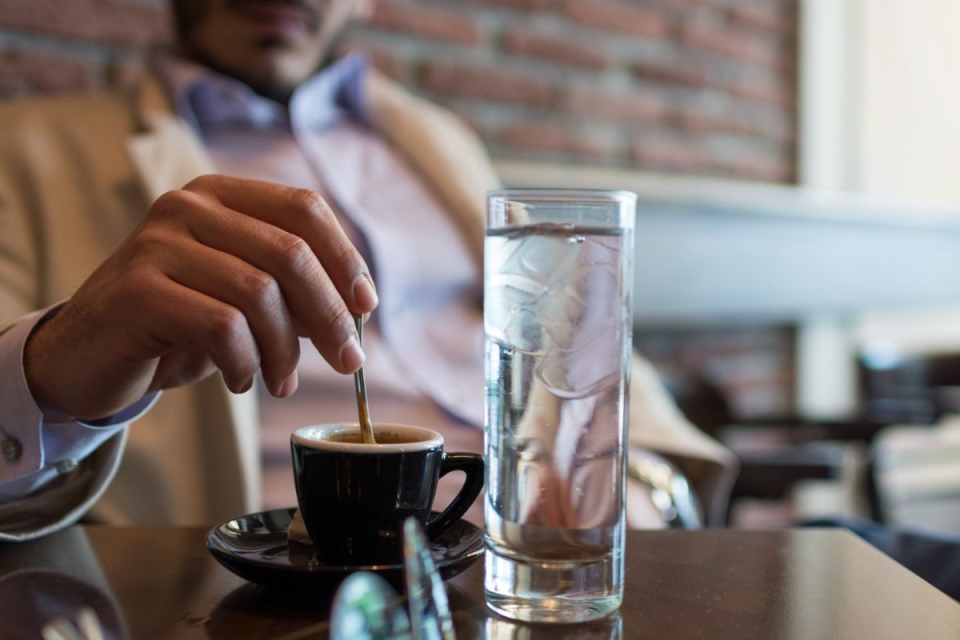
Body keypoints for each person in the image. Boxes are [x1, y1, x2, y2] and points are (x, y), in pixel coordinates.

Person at [0, 0, 736, 541]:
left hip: (582, 557)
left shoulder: (439, 140)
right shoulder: (27, 150)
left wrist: (645, 490)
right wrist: (60, 359)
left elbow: (577, 350)